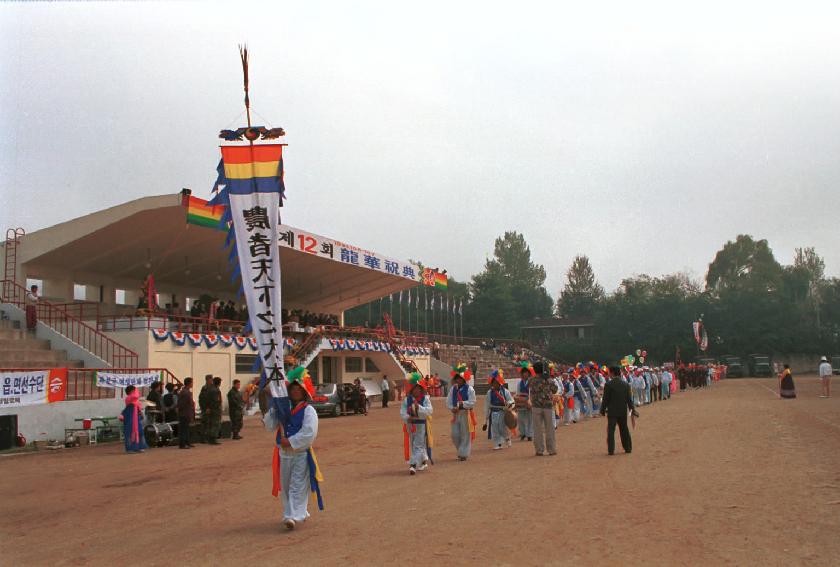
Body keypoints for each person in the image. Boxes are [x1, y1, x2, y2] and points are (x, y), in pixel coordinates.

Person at [264, 366, 323, 530]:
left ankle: (292, 516)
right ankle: (297, 511)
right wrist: (275, 408)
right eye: (293, 389)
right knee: (286, 486)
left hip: (299, 454)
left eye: (299, 389)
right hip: (284, 455)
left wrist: (290, 441)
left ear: (304, 392)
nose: (296, 392)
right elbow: (269, 425)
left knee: (297, 485)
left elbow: (309, 433)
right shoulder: (284, 409)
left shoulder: (309, 411)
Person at [400, 372, 434, 475]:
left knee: (417, 445)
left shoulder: (426, 399)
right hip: (411, 425)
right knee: (415, 444)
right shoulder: (407, 400)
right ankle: (423, 460)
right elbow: (402, 411)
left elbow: (429, 411)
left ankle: (413, 465)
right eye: (415, 388)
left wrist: (420, 408)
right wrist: (407, 418)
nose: (417, 390)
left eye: (419, 388)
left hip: (421, 425)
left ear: (422, 389)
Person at [600, 366, 636, 455]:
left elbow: (605, 399)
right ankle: (628, 448)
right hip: (622, 410)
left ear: (612, 373)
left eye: (609, 372)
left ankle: (611, 450)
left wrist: (602, 410)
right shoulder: (626, 384)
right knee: (624, 429)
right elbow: (629, 399)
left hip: (612, 411)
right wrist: (632, 409)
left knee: (611, 430)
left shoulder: (608, 384)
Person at [447, 363, 476, 461]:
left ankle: (463, 454)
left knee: (465, 434)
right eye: (457, 378)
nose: (458, 380)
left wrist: (462, 404)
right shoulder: (452, 389)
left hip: (465, 414)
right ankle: (461, 450)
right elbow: (449, 401)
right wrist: (452, 408)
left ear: (464, 379)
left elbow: (472, 402)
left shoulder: (470, 389)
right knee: (455, 435)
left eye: (460, 378)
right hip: (456, 414)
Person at [529, 361, 558, 457]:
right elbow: (555, 389)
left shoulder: (531, 380)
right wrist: (548, 377)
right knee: (549, 428)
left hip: (536, 406)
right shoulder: (548, 379)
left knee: (537, 429)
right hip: (547, 406)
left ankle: (539, 450)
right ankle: (551, 449)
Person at [483, 369, 514, 450]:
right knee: (495, 428)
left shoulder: (505, 392)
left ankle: (507, 437)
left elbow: (511, 400)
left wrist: (509, 404)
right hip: (493, 412)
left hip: (502, 412)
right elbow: (487, 404)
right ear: (492, 383)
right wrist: (486, 417)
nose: (495, 384)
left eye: (497, 383)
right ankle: (498, 444)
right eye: (494, 383)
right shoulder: (489, 392)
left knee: (502, 427)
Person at [119, 385, 148, 453]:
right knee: (130, 432)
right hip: (129, 417)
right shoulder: (129, 398)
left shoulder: (135, 400)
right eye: (134, 390)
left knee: (139, 431)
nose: (136, 391)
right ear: (131, 391)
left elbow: (138, 407)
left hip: (136, 417)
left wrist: (141, 413)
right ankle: (129, 448)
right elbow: (135, 396)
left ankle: (139, 447)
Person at [515, 362, 534, 442]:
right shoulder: (519, 383)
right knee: (521, 419)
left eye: (526, 372)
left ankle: (529, 434)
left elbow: (532, 393)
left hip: (529, 401)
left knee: (530, 419)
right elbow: (518, 393)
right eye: (523, 373)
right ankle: (522, 433)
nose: (524, 374)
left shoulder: (531, 382)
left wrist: (530, 401)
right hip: (521, 402)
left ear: (529, 373)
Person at [176, 377, 195, 449]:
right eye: (192, 382)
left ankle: (187, 442)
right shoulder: (185, 392)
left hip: (186, 412)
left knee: (186, 428)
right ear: (189, 383)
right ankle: (182, 444)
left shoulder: (186, 391)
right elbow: (182, 404)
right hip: (184, 413)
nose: (192, 384)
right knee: (183, 429)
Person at [207, 377, 223, 443]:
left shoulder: (210, 389)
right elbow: (217, 401)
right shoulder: (215, 390)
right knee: (215, 424)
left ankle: (211, 438)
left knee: (212, 423)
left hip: (212, 409)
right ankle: (213, 438)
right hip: (215, 409)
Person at [198, 374, 212, 442]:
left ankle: (208, 437)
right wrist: (205, 408)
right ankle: (203, 438)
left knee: (210, 423)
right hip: (206, 408)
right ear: (207, 380)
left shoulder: (212, 387)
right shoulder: (205, 388)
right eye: (210, 379)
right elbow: (202, 399)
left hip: (211, 408)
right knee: (205, 423)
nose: (211, 380)